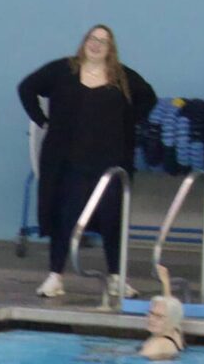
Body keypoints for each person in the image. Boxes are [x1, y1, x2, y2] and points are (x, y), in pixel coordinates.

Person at [18, 24, 156, 299]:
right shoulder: (62, 70)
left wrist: (126, 123)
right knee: (63, 218)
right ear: (85, 42)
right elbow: (27, 88)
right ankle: (55, 276)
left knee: (112, 219)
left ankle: (116, 277)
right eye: (93, 38)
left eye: (103, 41)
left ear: (110, 48)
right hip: (68, 162)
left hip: (109, 164)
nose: (96, 44)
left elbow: (148, 98)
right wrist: (42, 120)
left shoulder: (122, 77)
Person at [140, 264, 185, 360]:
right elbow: (169, 308)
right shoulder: (175, 336)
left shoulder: (155, 346)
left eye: (158, 317)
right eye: (151, 313)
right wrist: (165, 282)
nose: (152, 319)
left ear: (171, 321)